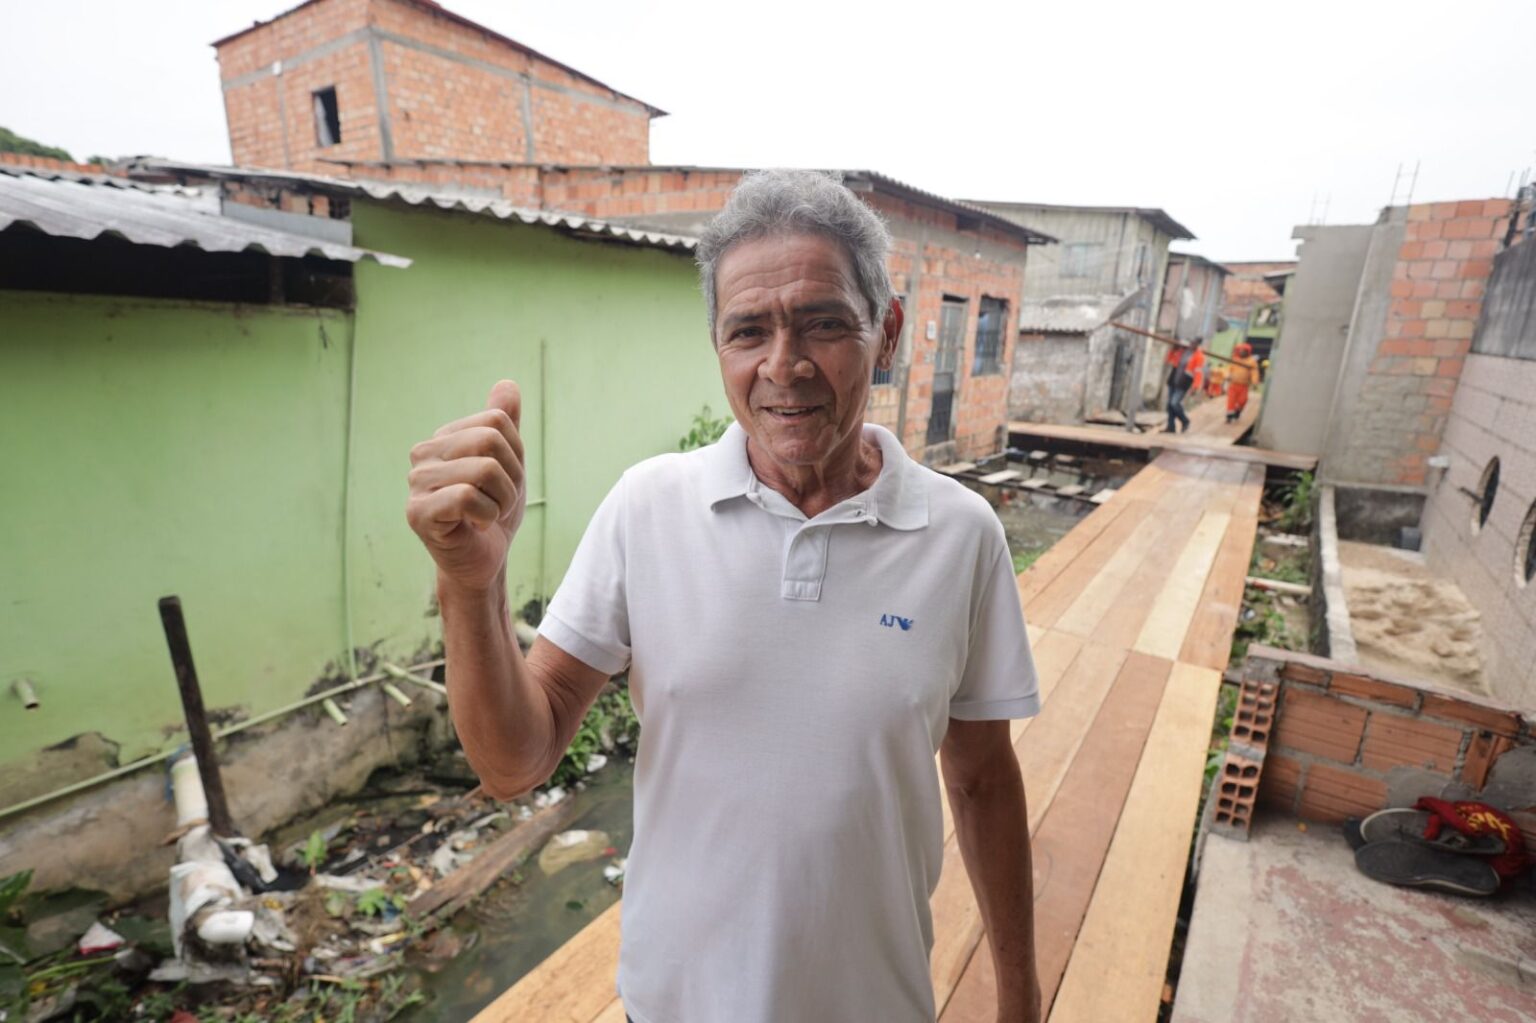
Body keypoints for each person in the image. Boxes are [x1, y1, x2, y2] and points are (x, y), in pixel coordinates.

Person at [406, 169, 1043, 1023]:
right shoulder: (648, 507)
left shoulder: (961, 536)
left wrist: (1020, 995)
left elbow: (981, 780)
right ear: (718, 346)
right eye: (749, 331)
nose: (785, 366)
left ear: (885, 331)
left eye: (823, 323)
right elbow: (515, 760)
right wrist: (469, 583)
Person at [1162, 336, 1206, 433]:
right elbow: (1168, 360)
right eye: (1191, 342)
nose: (1191, 345)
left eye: (1194, 343)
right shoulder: (1182, 351)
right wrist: (1173, 349)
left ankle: (1185, 421)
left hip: (1183, 382)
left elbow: (1198, 372)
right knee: (1169, 405)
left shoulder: (1199, 356)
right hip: (1173, 380)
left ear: (1198, 345)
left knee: (1174, 403)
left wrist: (1195, 387)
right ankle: (1171, 427)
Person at [1225, 341, 1258, 423]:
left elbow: (1254, 372)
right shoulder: (1235, 359)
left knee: (1243, 400)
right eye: (1241, 351)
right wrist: (1227, 375)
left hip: (1244, 386)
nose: (1241, 352)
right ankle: (1229, 416)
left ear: (1247, 352)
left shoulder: (1251, 361)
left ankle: (1237, 411)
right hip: (1233, 384)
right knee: (1231, 400)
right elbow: (1228, 369)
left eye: (1244, 351)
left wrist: (1254, 382)